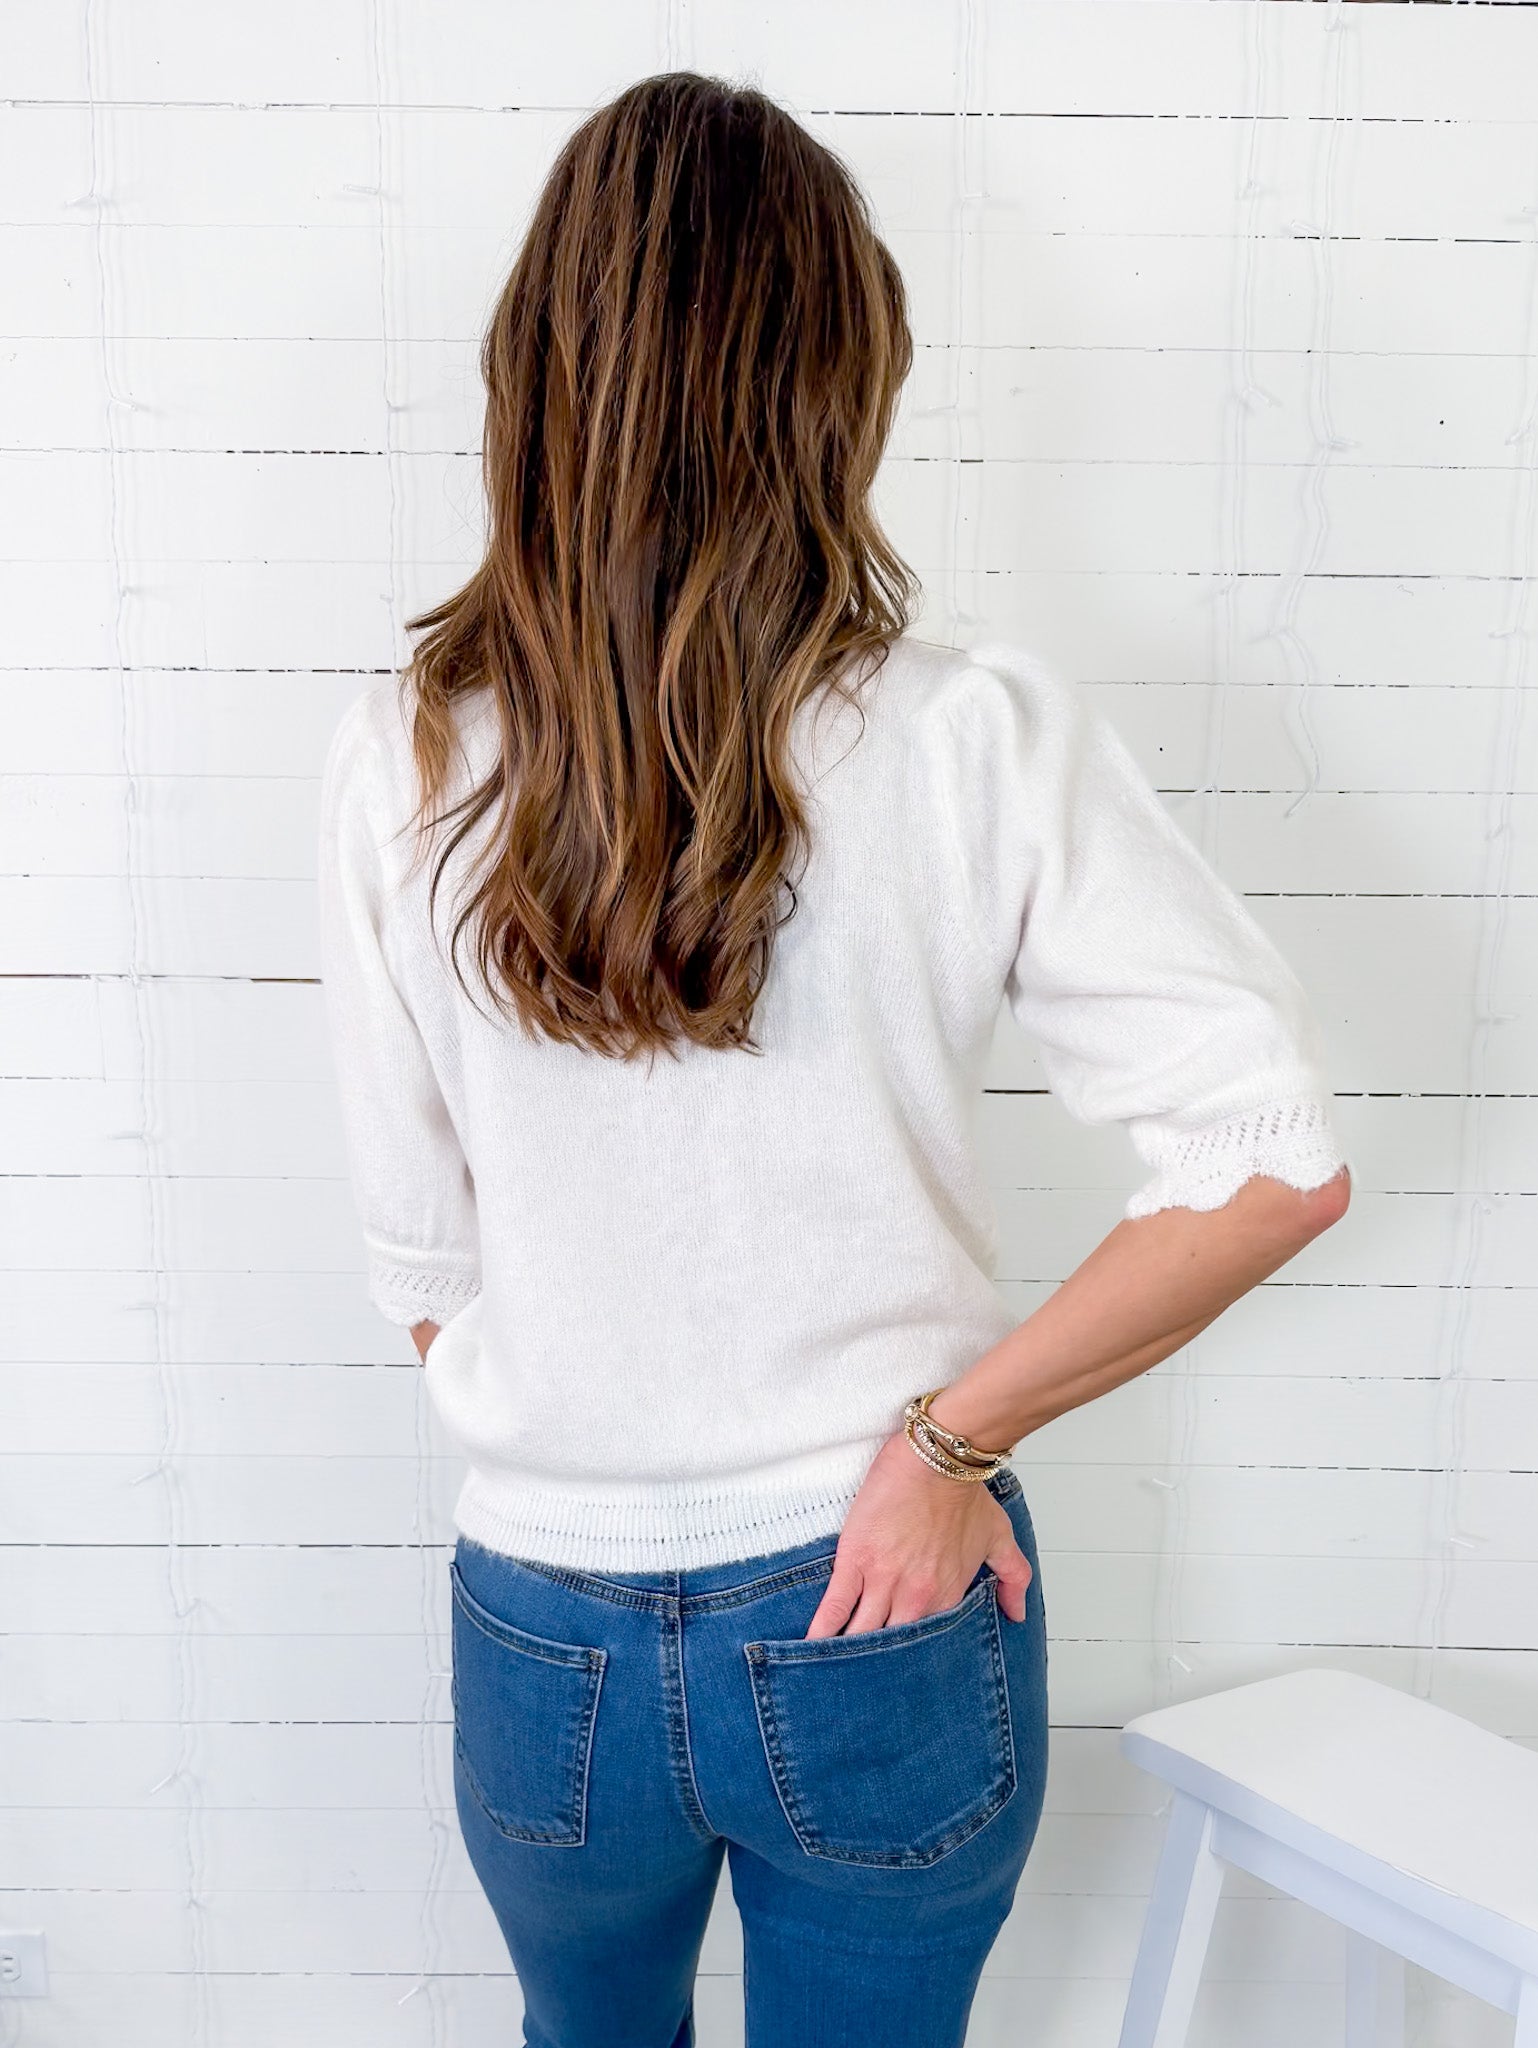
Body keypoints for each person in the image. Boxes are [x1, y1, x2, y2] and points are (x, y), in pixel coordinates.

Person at [316, 69, 1351, 2048]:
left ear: (537, 370)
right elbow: (1271, 1162)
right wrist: (945, 1448)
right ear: (835, 375)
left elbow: (422, 1274)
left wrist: (608, 1417)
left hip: (544, 1626)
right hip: (874, 1600)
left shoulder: (407, 757)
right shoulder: (969, 739)